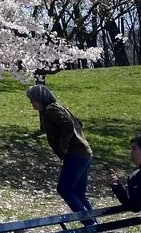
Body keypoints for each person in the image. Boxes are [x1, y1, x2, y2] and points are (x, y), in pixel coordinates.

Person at [25, 84, 94, 219]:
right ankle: (96, 228)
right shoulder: (57, 107)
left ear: (40, 99)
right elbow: (78, 123)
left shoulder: (51, 109)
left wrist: (63, 146)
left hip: (75, 154)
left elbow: (67, 124)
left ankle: (90, 225)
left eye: (32, 99)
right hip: (84, 152)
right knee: (79, 193)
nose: (31, 103)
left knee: (64, 189)